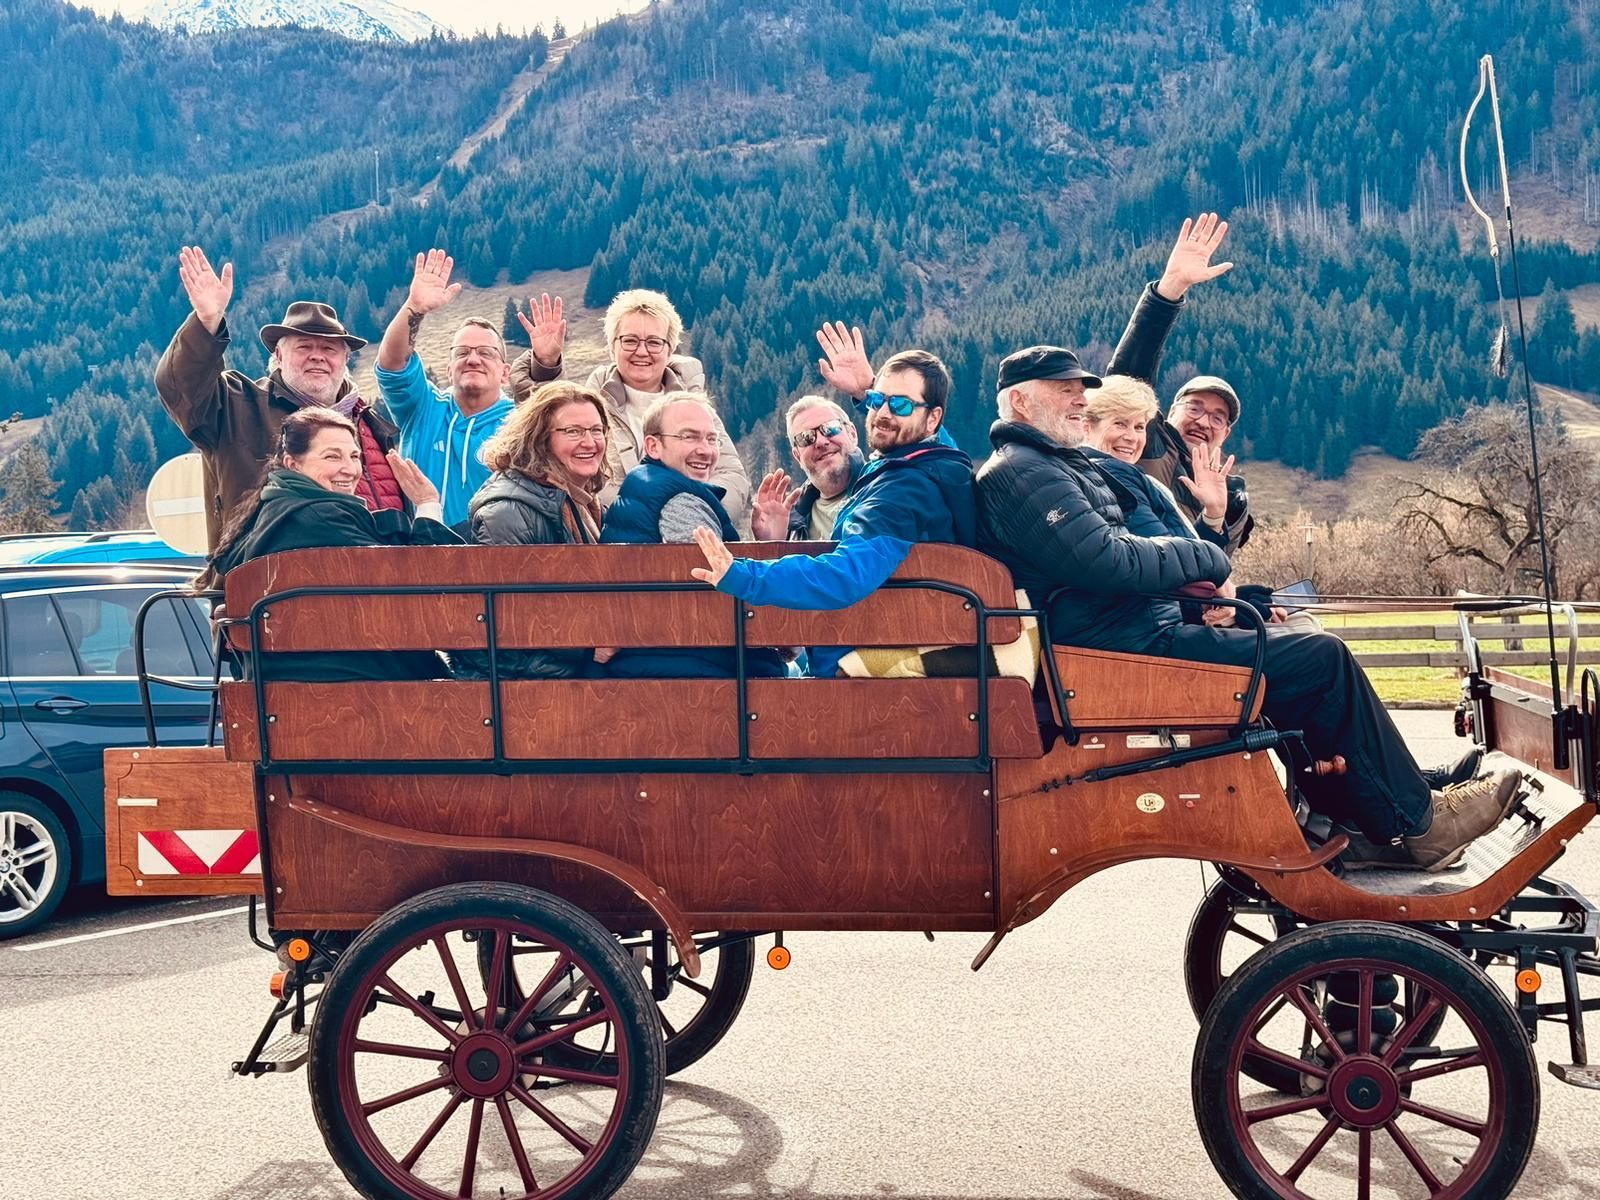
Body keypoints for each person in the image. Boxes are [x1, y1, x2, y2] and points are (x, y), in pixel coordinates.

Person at [973, 344, 1519, 871]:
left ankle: (1365, 816)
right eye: (1064, 390)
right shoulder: (1022, 472)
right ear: (1021, 402)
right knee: (1319, 659)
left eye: (1080, 390)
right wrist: (1207, 553)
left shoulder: (1051, 465)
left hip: (1132, 637)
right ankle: (1420, 828)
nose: (1077, 400)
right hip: (1118, 653)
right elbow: (1109, 560)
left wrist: (1205, 563)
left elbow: (1125, 555)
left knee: (1304, 655)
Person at [690, 350, 976, 680]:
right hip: (868, 646)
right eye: (878, 400)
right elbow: (938, 445)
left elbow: (847, 574)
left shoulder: (901, 491)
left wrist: (743, 575)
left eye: (900, 405)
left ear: (933, 419)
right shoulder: (930, 466)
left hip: (855, 673)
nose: (883, 412)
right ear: (796, 454)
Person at [157, 247, 404, 551]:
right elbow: (179, 385)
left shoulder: (371, 423)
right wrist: (206, 323)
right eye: (304, 347)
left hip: (372, 587)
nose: (318, 356)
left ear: (345, 359)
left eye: (329, 349)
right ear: (278, 355)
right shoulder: (236, 406)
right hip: (268, 589)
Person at [197, 408, 464, 682]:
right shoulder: (320, 520)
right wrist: (428, 505)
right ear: (293, 464)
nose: (349, 469)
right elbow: (421, 589)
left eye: (354, 456)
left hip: (283, 698)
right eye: (332, 456)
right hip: (375, 696)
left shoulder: (266, 519)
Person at [508, 288, 751, 513]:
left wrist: (690, 514)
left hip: (693, 542)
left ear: (670, 348)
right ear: (612, 346)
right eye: (630, 341)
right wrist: (546, 366)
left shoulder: (697, 408)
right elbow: (551, 449)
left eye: (654, 342)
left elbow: (732, 478)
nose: (642, 352)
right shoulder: (592, 410)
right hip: (612, 545)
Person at [373, 249, 565, 528]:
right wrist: (413, 309)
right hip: (419, 554)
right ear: (449, 369)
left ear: (505, 372)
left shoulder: (519, 423)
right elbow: (391, 364)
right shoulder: (423, 407)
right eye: (462, 352)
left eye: (485, 353)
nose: (473, 359)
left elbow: (556, 419)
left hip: (496, 557)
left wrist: (546, 363)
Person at [601, 394, 784, 679]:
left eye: (712, 440)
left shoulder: (647, 486)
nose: (706, 450)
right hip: (692, 673)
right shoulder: (681, 502)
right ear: (653, 445)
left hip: (658, 663)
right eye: (690, 437)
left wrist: (767, 542)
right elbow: (711, 601)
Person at [451, 381, 613, 681]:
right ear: (539, 439)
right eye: (573, 431)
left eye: (596, 430)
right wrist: (589, 651)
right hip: (520, 690)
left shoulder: (579, 501)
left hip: (566, 671)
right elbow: (509, 620)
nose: (590, 442)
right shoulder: (508, 512)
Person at [1137, 373, 1254, 553]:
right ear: (1173, 411)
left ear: (1225, 434)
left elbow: (1210, 567)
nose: (1203, 422)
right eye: (1194, 409)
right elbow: (1128, 380)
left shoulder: (1232, 499)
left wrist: (1214, 516)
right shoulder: (1150, 444)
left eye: (1217, 418)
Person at [749, 396, 864, 542]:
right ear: (797, 456)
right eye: (806, 437)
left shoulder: (884, 489)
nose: (821, 442)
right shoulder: (793, 523)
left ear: (852, 434)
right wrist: (774, 546)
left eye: (830, 428)